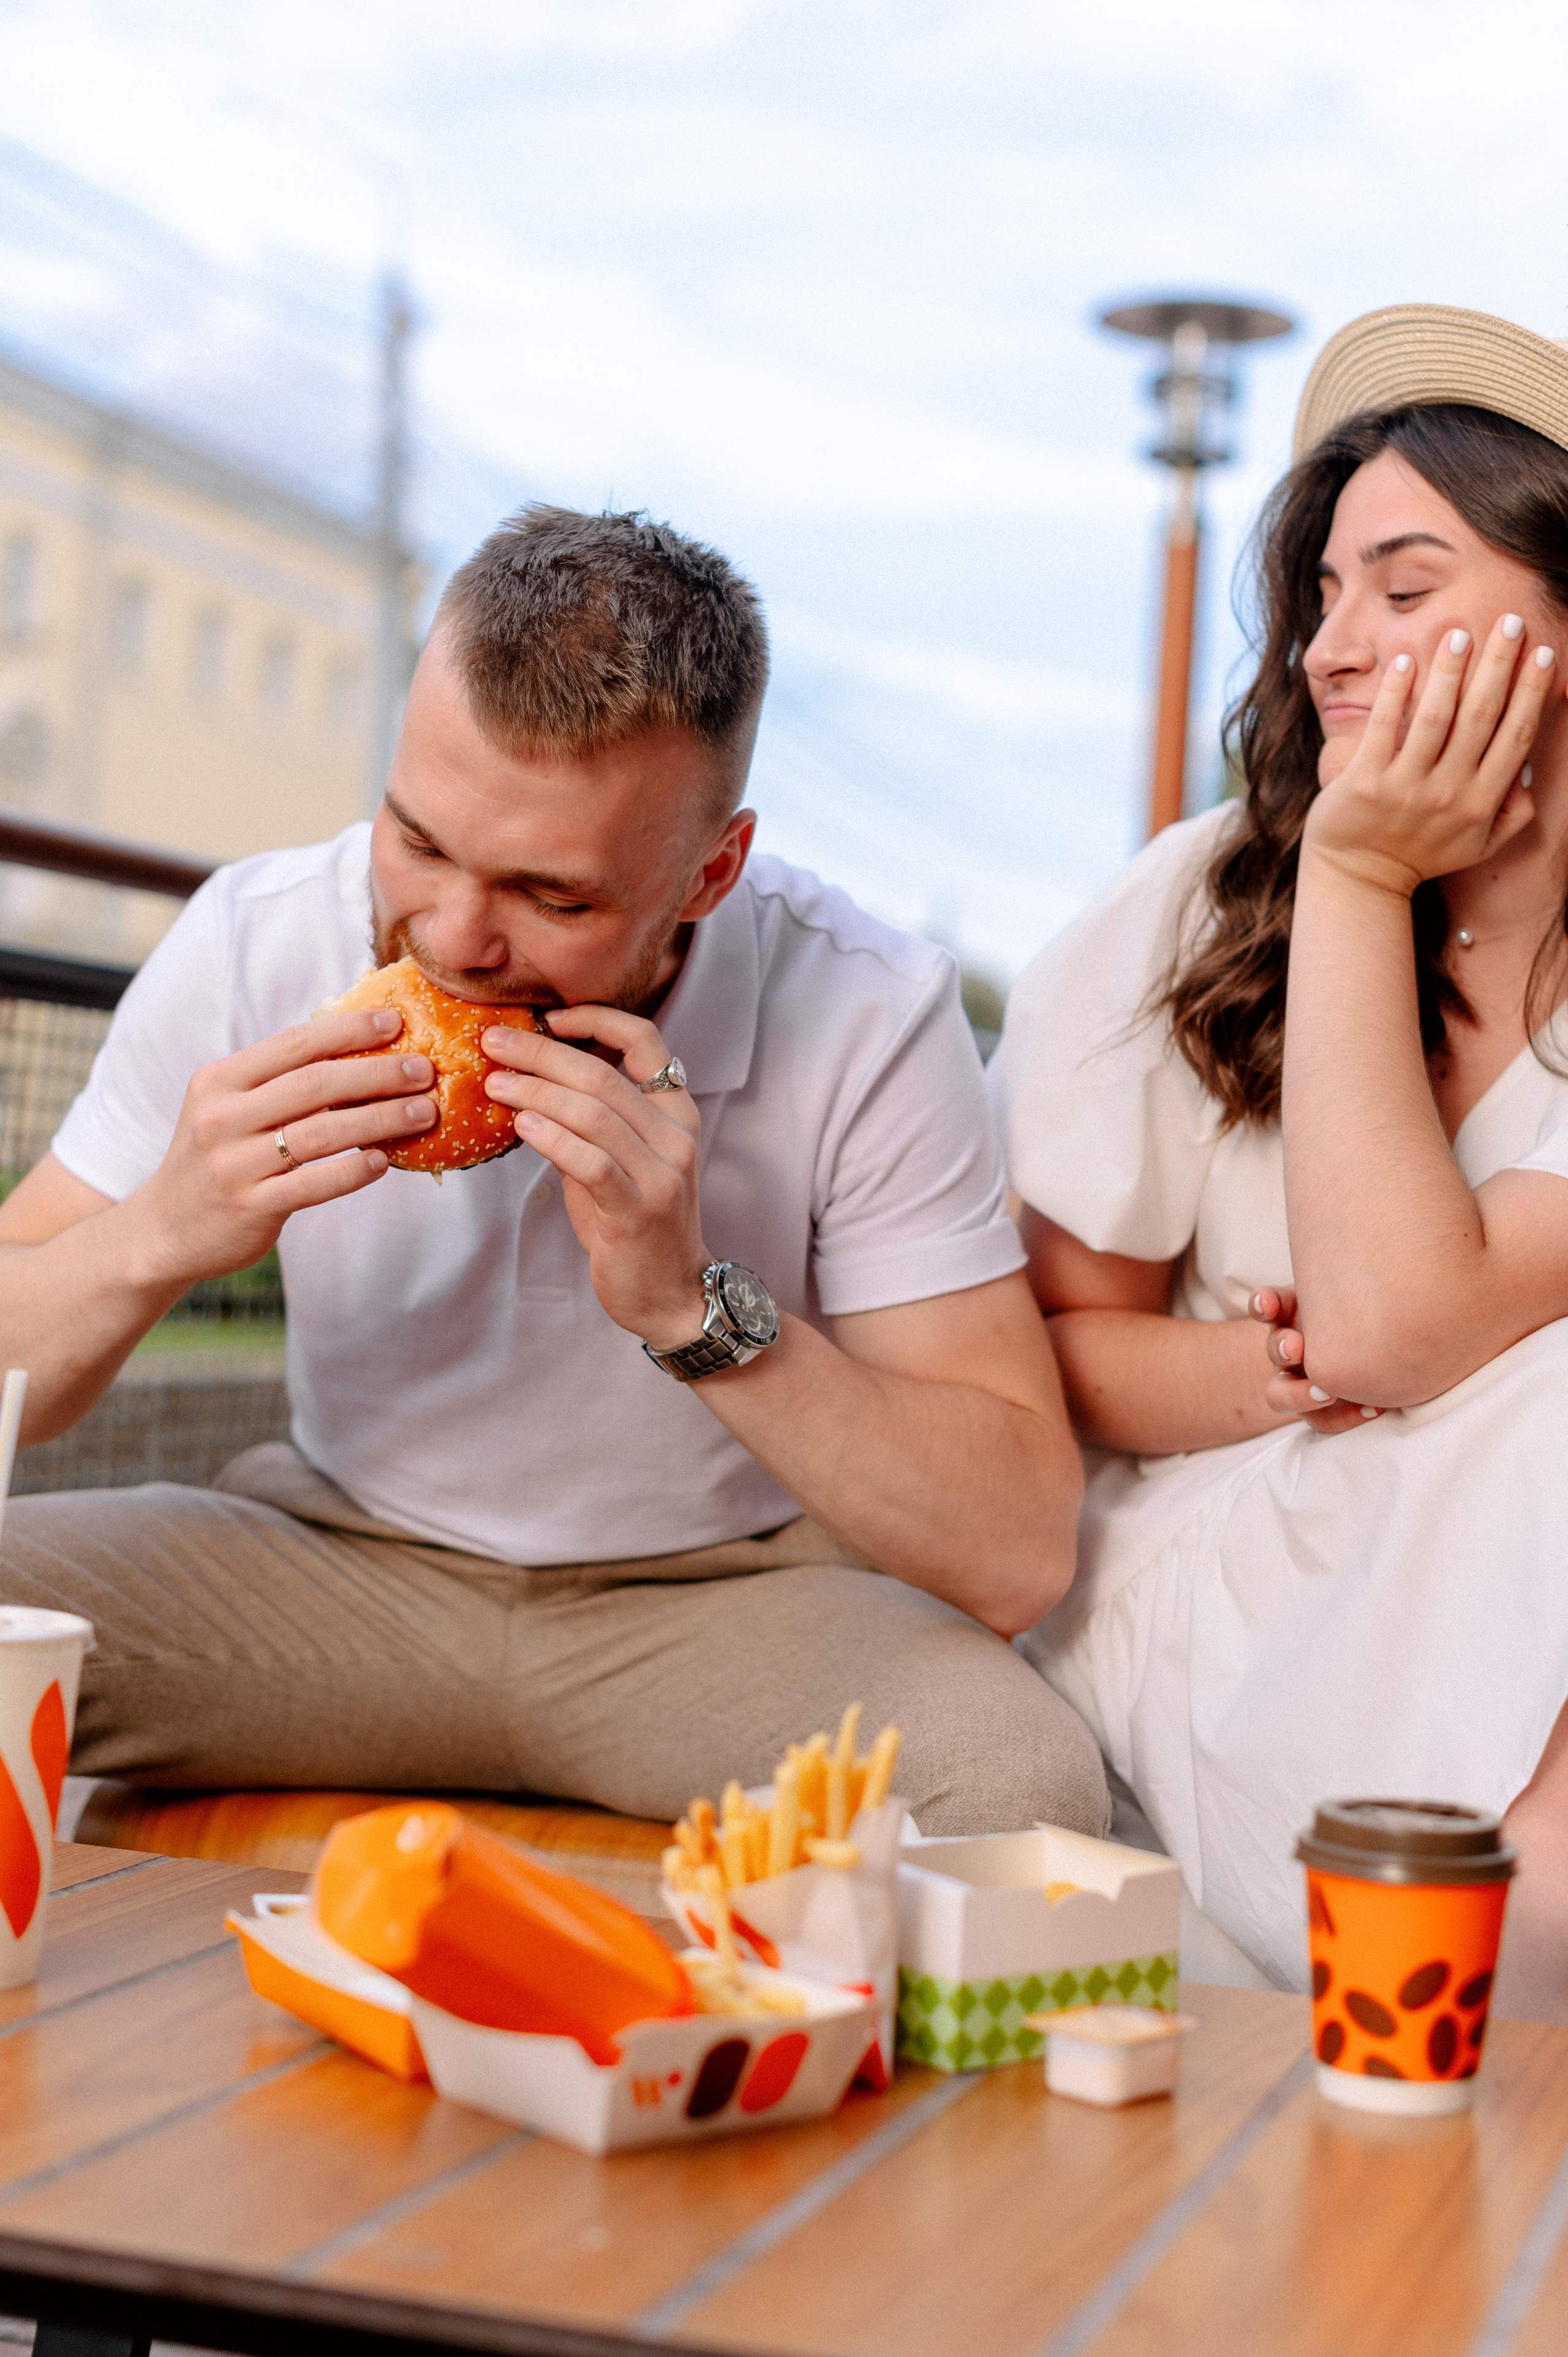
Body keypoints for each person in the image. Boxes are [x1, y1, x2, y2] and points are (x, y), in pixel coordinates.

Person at [0, 504, 1105, 1839]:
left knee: (1019, 1781)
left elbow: (1013, 1551)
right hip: (329, 1572)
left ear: (710, 870)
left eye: (554, 897)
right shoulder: (254, 939)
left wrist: (688, 1308)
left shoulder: (868, 1007)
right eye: (417, 840)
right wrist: (157, 1235)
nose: (456, 938)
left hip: (720, 1613)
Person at [992, 303, 1568, 2015]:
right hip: (1213, 1551)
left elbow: (1419, 1319)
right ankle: (1490, 1941)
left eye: (1404, 589)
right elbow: (1066, 1348)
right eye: (1320, 597)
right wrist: (1356, 881)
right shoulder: (1202, 899)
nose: (1330, 649)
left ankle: (1497, 1940)